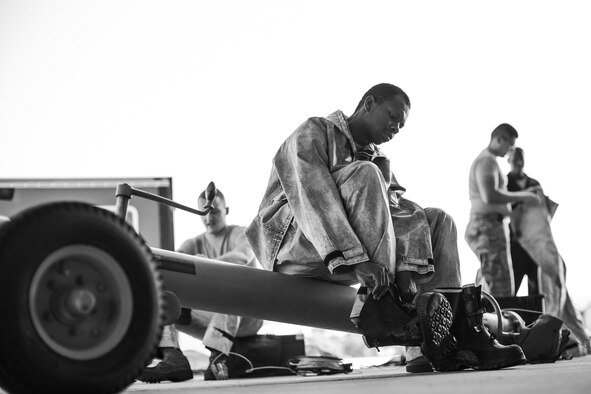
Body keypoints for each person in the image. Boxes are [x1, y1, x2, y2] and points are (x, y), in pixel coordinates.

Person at [246, 83, 525, 373]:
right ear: (368, 103)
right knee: (366, 174)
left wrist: (405, 266)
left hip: (353, 262)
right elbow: (311, 194)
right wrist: (356, 260)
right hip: (292, 244)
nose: (396, 128)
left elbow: (399, 209)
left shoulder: (374, 156)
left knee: (439, 220)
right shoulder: (314, 131)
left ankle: (445, 340)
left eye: (401, 126)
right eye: (392, 117)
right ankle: (386, 313)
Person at [138, 188, 264, 383]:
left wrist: (203, 265)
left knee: (230, 293)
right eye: (203, 213)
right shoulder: (192, 243)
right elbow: (170, 270)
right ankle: (174, 358)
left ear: (226, 210)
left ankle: (217, 361)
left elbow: (242, 256)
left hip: (247, 316)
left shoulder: (240, 233)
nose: (208, 218)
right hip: (209, 320)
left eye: (214, 211)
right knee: (165, 296)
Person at [507, 147, 589, 356]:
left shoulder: (534, 183)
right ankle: (509, 338)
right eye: (515, 159)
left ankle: (544, 340)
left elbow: (542, 212)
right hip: (516, 248)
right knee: (508, 295)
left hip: (538, 251)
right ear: (510, 160)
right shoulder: (505, 181)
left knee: (541, 298)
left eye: (521, 159)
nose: (518, 163)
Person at [465, 124, 541, 298]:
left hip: (492, 228)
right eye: (510, 145)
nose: (511, 150)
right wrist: (523, 196)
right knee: (501, 290)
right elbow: (489, 195)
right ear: (499, 139)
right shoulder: (487, 161)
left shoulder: (490, 161)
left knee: (492, 284)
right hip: (487, 227)